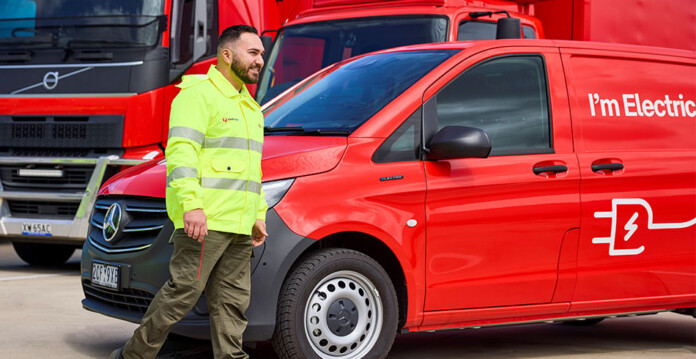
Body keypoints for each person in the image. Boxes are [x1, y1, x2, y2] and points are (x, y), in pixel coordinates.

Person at [111, 25, 268, 359]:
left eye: (261, 54)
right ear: (227, 55)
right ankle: (132, 356)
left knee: (232, 304)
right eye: (253, 53)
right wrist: (192, 206)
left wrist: (257, 214)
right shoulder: (197, 95)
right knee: (181, 294)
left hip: (239, 226)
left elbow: (253, 168)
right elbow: (181, 154)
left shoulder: (250, 107)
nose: (260, 60)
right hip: (205, 223)